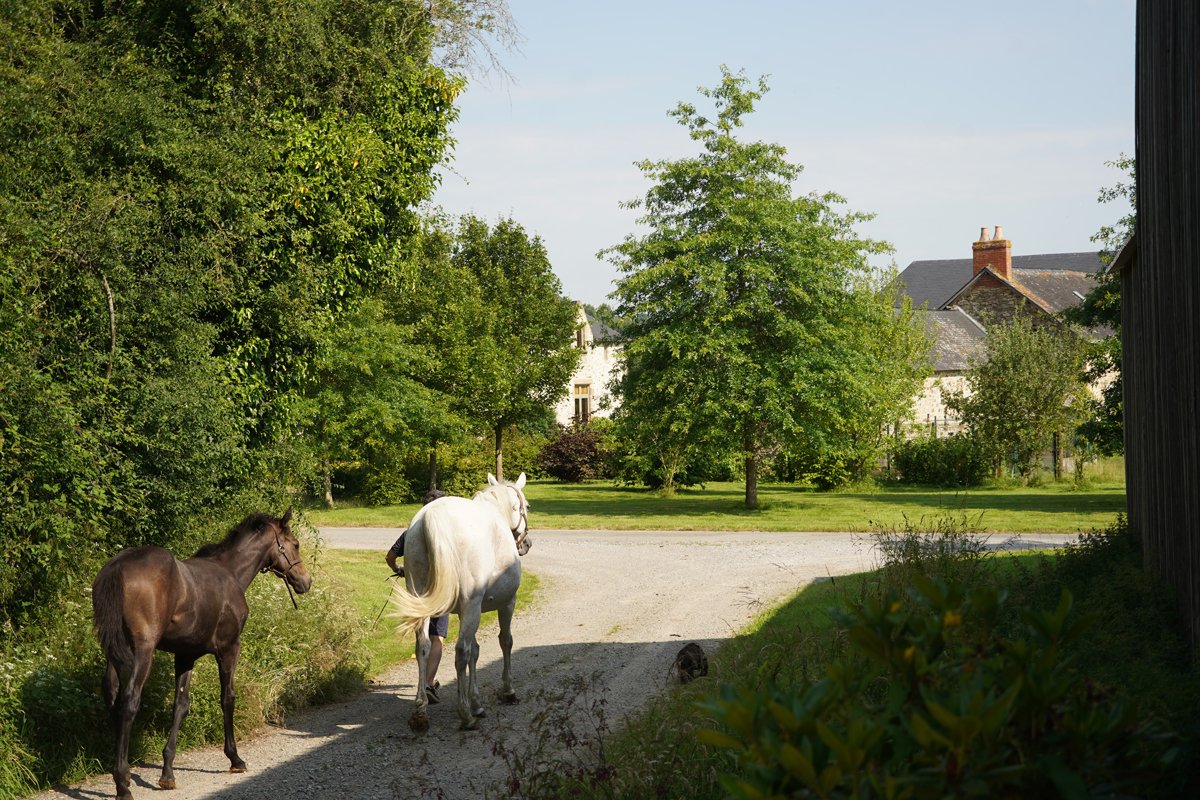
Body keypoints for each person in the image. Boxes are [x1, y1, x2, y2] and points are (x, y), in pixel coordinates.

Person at [385, 488, 450, 703]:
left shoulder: (412, 532)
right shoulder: (447, 535)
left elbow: (390, 557)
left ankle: (424, 682)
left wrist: (399, 569)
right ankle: (428, 683)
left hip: (419, 592)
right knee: (437, 637)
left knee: (422, 635)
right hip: (440, 590)